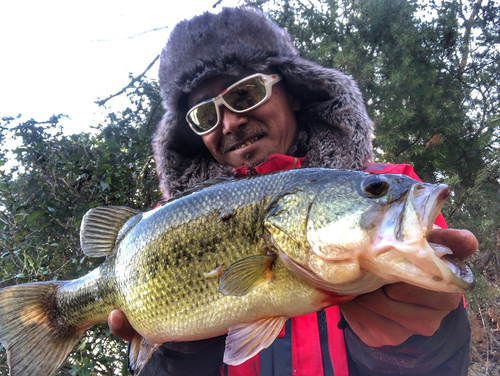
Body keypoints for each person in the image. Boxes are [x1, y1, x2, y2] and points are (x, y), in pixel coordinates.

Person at [108, 6, 477, 376]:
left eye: (246, 93)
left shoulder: (390, 188)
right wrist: (179, 359)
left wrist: (420, 345)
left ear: (294, 93)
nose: (231, 121)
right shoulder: (155, 230)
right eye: (206, 116)